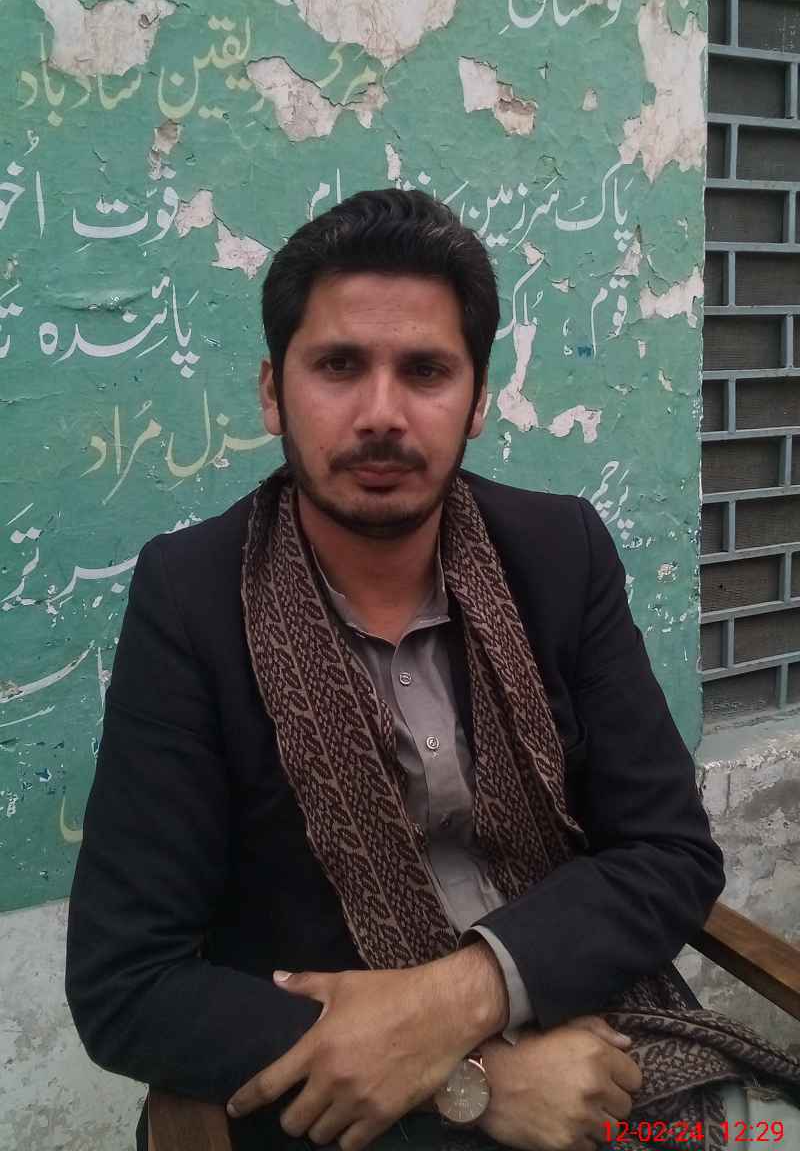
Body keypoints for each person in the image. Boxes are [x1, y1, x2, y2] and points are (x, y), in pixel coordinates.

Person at [65, 190, 800, 1151]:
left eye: (425, 371)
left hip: (591, 1036)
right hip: (349, 1109)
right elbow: (126, 982)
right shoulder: (192, 596)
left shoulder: (558, 552)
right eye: (338, 366)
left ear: (478, 399)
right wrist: (474, 1084)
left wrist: (464, 996)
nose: (382, 414)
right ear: (273, 391)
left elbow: (669, 851)